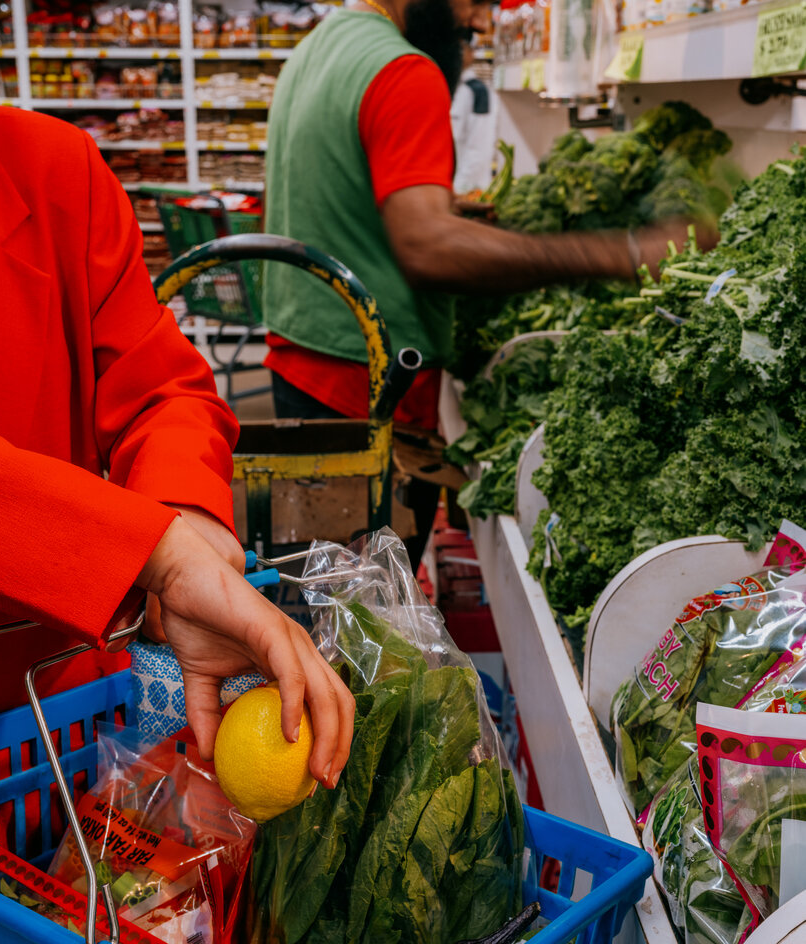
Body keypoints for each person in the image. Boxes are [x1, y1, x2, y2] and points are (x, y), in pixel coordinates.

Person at [261, 0, 709, 568]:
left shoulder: (316, 50)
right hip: (370, 394)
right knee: (369, 620)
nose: (476, 22)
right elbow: (426, 248)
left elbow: (324, 201)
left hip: (303, 371)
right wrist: (621, 252)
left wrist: (451, 216)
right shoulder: (405, 69)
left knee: (323, 599)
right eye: (474, 1)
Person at [0, 106, 354, 787]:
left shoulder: (54, 168)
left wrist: (187, 516)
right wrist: (155, 553)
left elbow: (163, 391)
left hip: (62, 703)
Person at [450, 42, 497, 197]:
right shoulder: (451, 86)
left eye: (462, 48)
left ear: (471, 52)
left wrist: (460, 187)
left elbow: (479, 148)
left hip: (470, 190)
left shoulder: (477, 91)